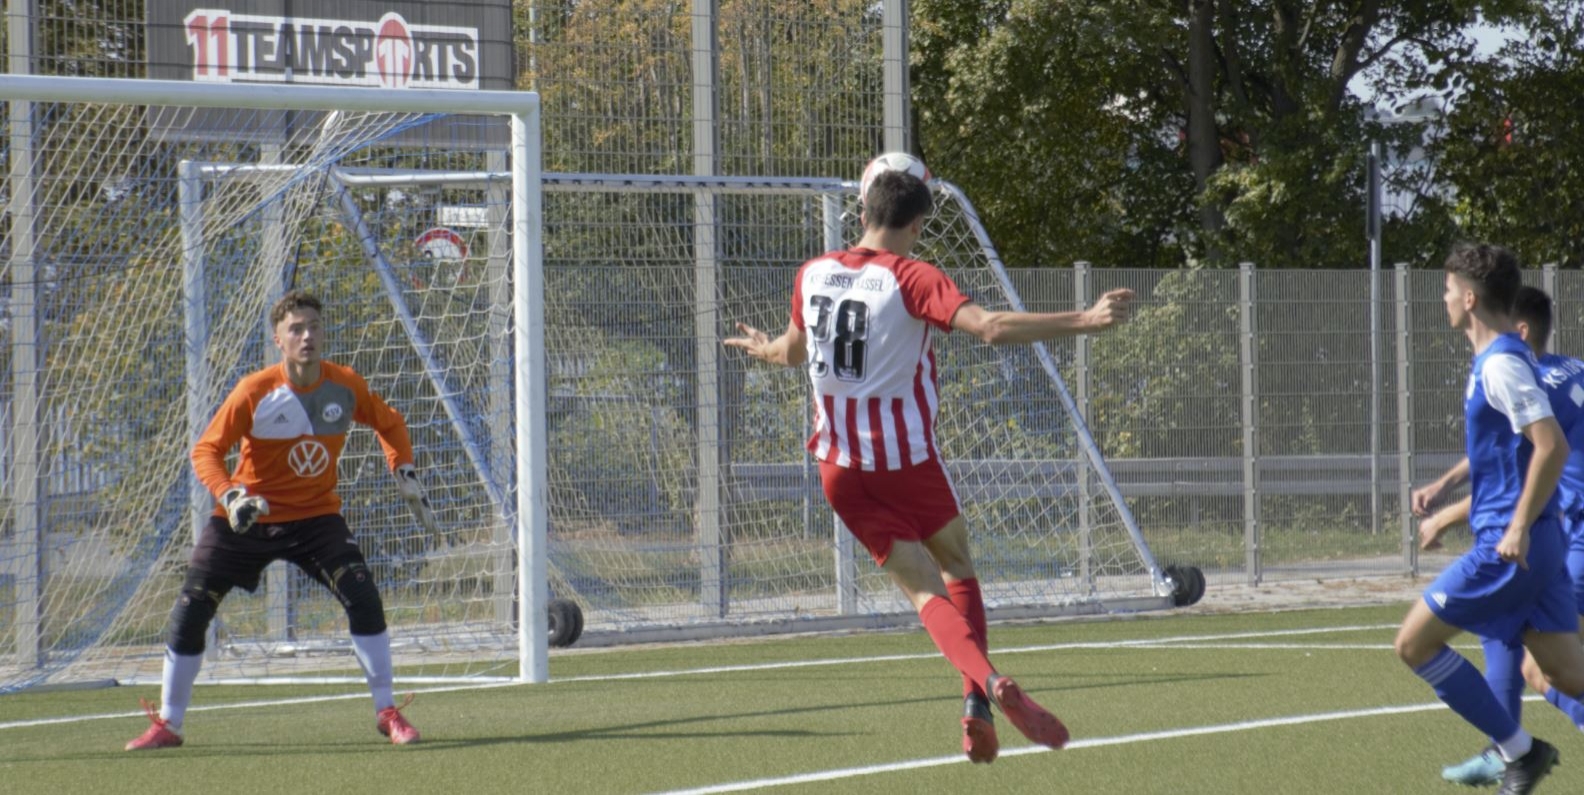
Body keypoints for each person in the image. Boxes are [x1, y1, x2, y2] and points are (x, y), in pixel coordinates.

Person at [724, 166, 1134, 764]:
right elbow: (990, 327)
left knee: (921, 593)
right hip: (905, 462)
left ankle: (988, 685)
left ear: (862, 212)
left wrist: (761, 347)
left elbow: (790, 352)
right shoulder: (913, 276)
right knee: (957, 567)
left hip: (838, 467)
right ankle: (977, 697)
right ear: (917, 225)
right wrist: (1087, 320)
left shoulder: (812, 273)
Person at [126, 290, 435, 750]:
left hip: (317, 517)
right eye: (296, 328)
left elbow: (390, 423)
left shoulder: (345, 385)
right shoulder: (254, 390)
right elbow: (206, 450)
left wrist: (403, 468)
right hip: (247, 518)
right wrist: (231, 495)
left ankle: (387, 712)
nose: (307, 335)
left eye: (314, 326)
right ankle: (168, 724)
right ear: (278, 340)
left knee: (364, 596)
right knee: (191, 608)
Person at [1394, 244, 1584, 794]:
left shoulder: (1501, 363)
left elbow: (1551, 447)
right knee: (1564, 674)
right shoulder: (1505, 359)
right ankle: (1515, 749)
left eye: (1449, 290)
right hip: (1541, 541)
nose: (1444, 299)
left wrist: (1517, 526)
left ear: (1471, 298)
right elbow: (1510, 452)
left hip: (1509, 545)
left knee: (1413, 644)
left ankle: (1519, 751)